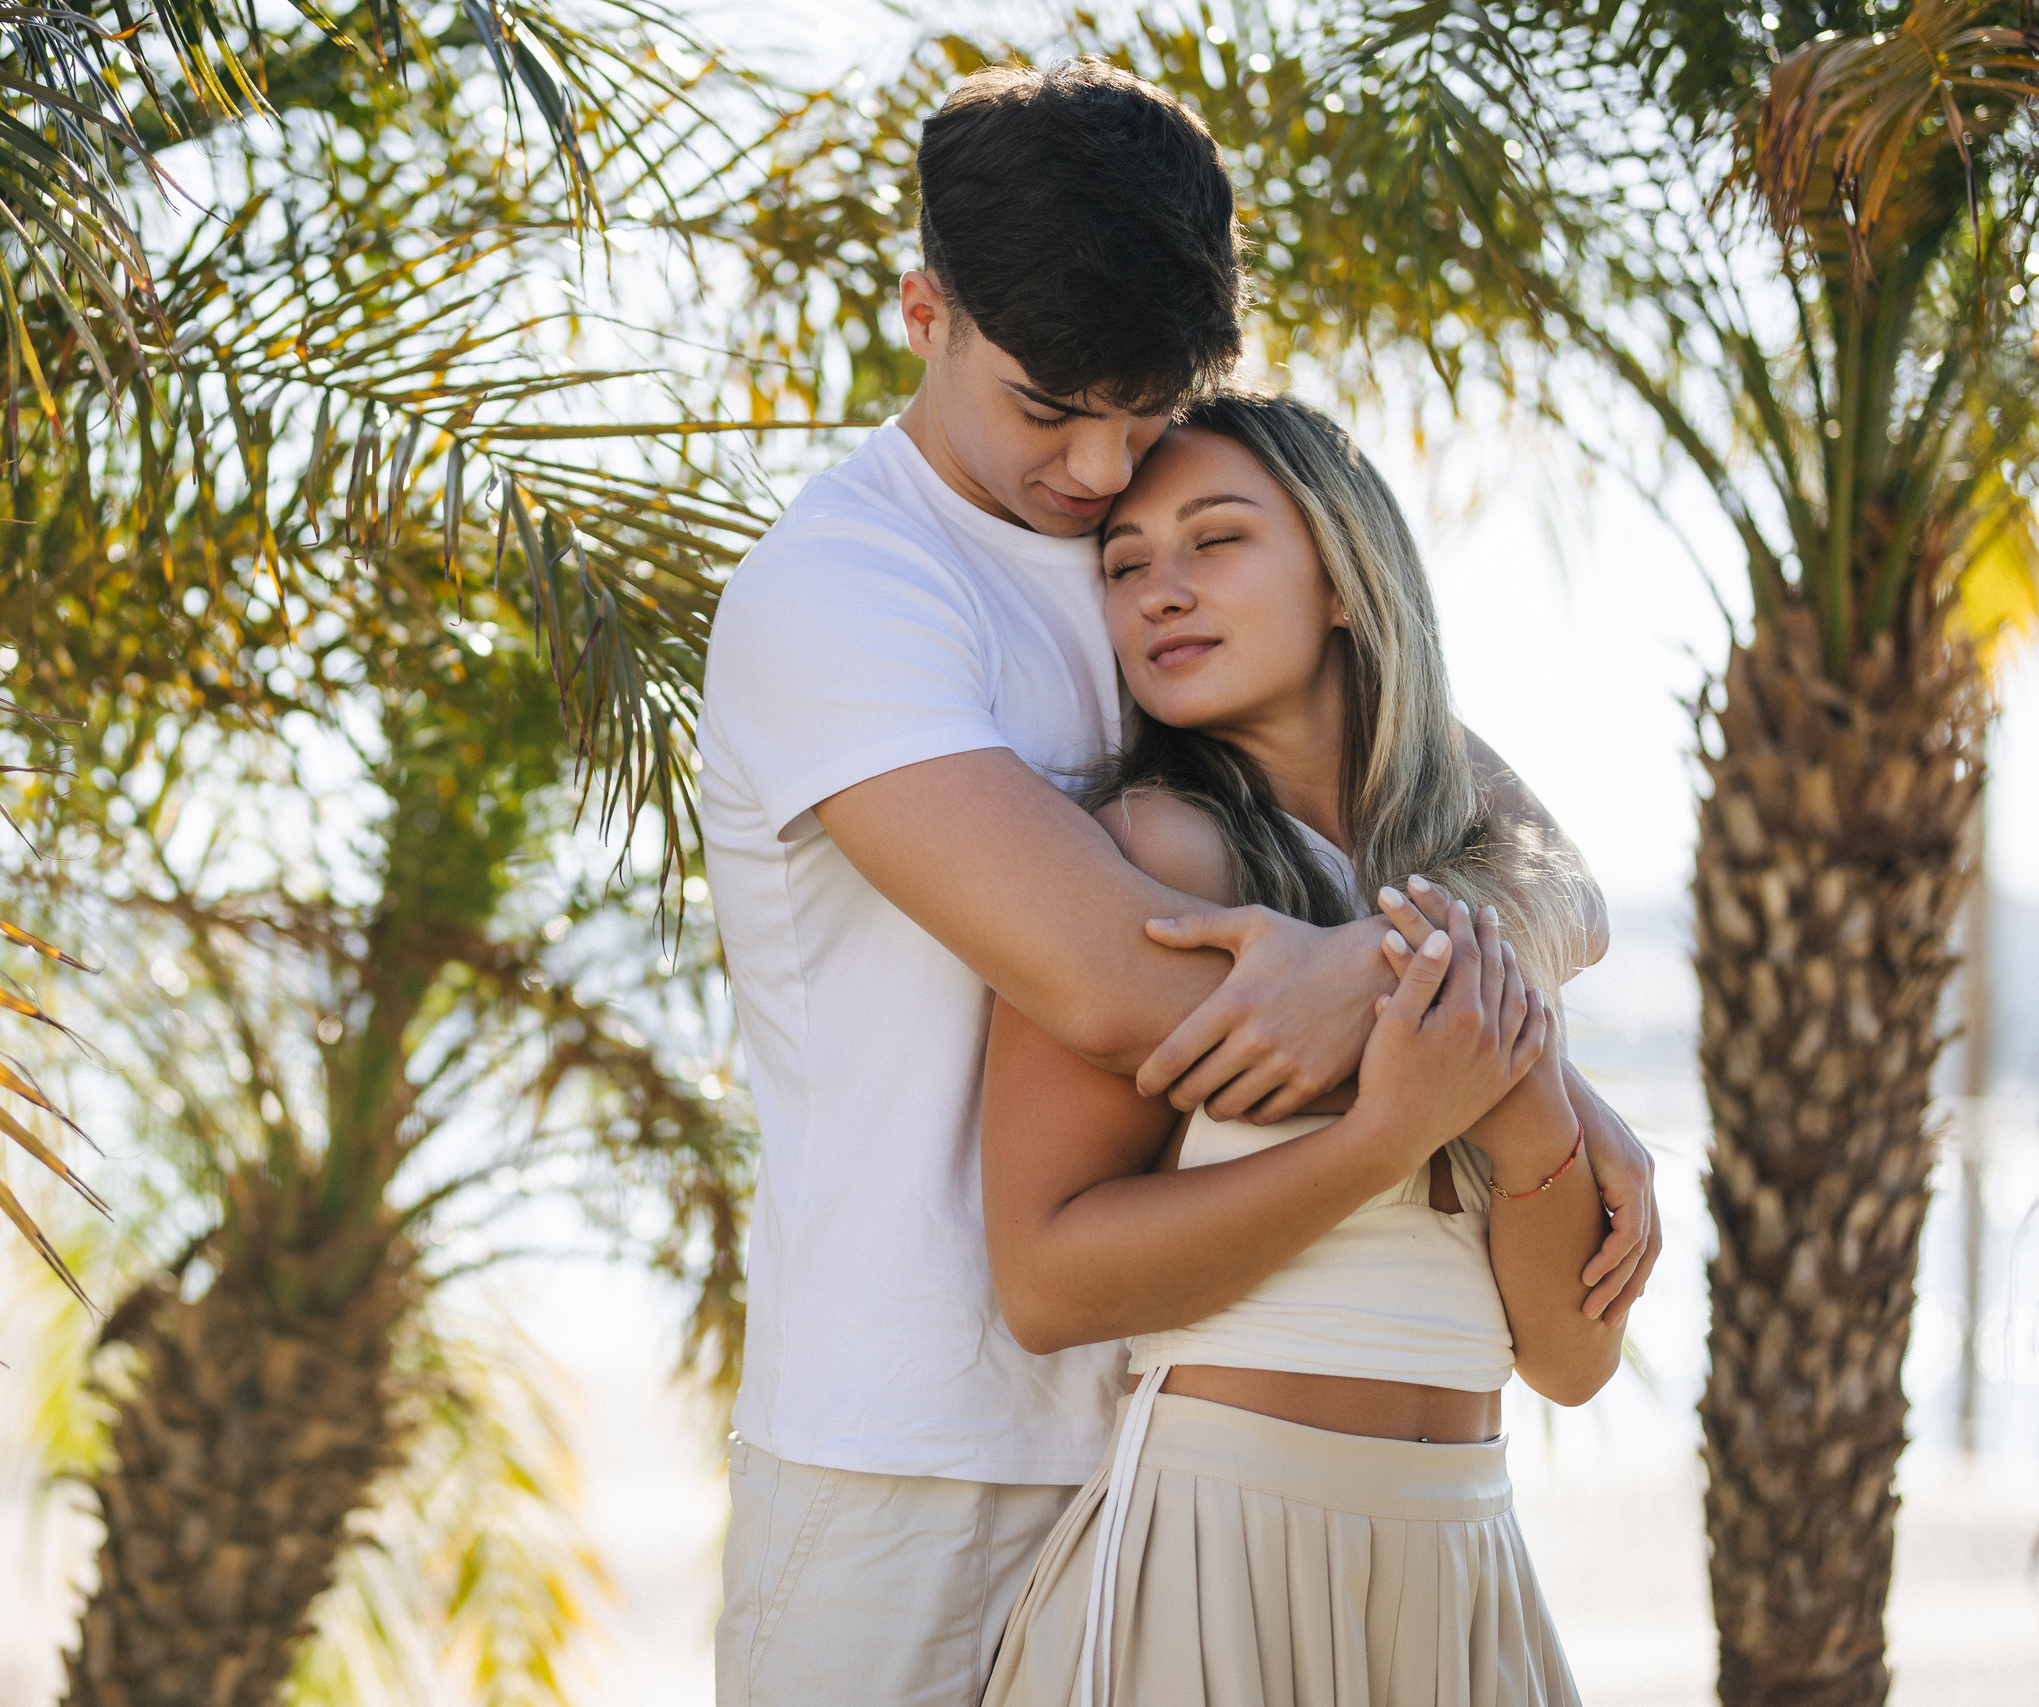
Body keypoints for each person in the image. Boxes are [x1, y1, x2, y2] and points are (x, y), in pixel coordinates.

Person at [697, 60, 1656, 1707]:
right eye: (1049, 411)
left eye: (1139, 412)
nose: (1095, 471)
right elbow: (1121, 987)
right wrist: (1476, 1048)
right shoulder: (846, 590)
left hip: (1171, 1423)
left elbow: (1527, 854)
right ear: (925, 312)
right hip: (912, 1447)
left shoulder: (1158, 544)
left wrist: (1516, 1051)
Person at [978, 393, 1618, 1706]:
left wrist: (1531, 1114)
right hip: (1224, 1551)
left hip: (1465, 1550)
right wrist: (1381, 1137)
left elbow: (1568, 1359)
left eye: (1216, 541)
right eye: (1125, 563)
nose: (1162, 590)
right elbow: (1045, 1279)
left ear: (1342, 576)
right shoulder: (1156, 857)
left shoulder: (1459, 898)